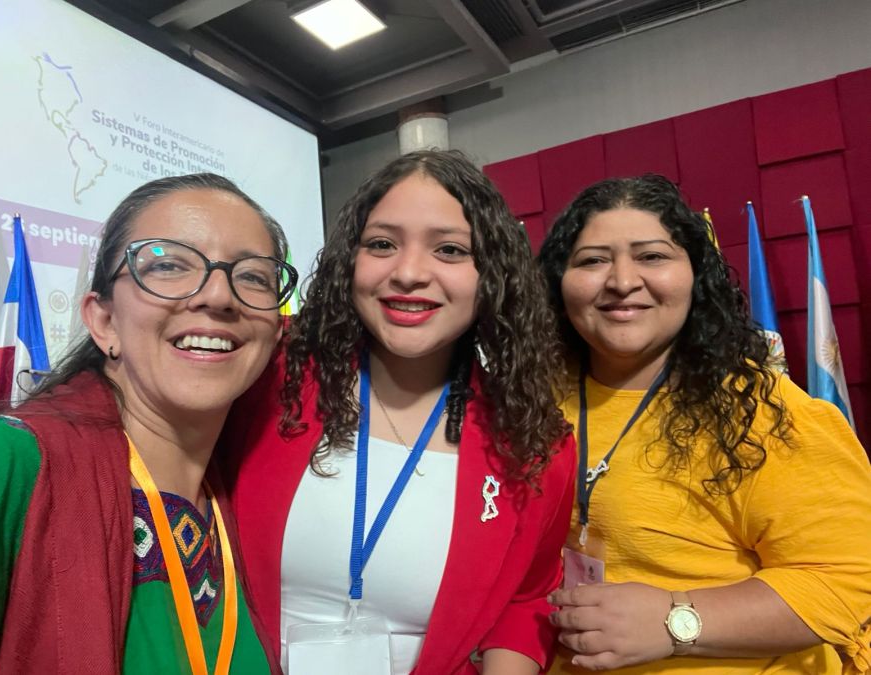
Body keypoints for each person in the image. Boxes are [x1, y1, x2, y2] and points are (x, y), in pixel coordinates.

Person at [223, 149, 576, 675]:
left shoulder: (533, 442)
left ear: (492, 276)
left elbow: (526, 601)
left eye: (450, 250)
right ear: (350, 260)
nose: (408, 273)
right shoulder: (270, 372)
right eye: (382, 244)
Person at [538, 174, 871, 674]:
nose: (622, 281)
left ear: (696, 276)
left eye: (652, 256)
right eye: (592, 260)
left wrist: (676, 621)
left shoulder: (766, 412)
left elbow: (846, 581)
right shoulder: (532, 401)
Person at [0, 173, 297, 674]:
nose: (218, 296)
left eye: (253, 276)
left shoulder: (240, 514)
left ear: (274, 333)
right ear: (104, 321)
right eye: (168, 265)